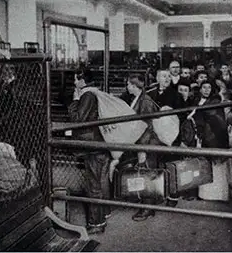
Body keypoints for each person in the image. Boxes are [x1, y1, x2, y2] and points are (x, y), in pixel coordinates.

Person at [68, 69, 111, 234]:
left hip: (92, 146)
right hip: (102, 143)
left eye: (75, 79)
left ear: (82, 80)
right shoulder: (97, 93)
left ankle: (96, 223)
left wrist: (75, 100)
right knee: (102, 181)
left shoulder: (87, 96)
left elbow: (78, 119)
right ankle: (104, 213)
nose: (74, 83)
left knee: (94, 185)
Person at [119, 74, 163, 221]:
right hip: (143, 142)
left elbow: (146, 127)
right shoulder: (139, 99)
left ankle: (148, 208)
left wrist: (142, 149)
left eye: (129, 85)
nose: (127, 87)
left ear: (134, 86)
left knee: (147, 173)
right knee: (146, 172)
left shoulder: (145, 101)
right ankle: (148, 204)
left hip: (147, 143)